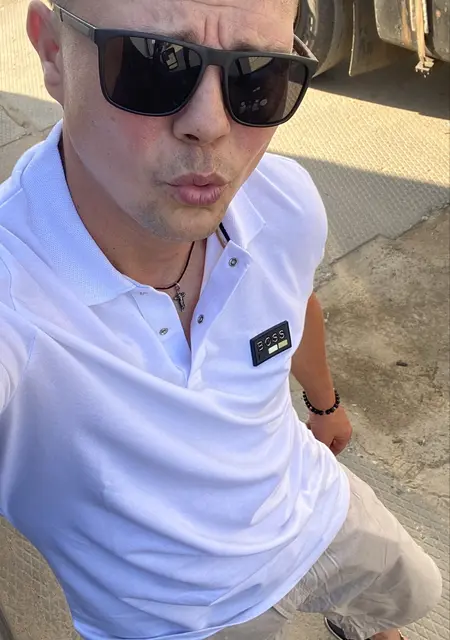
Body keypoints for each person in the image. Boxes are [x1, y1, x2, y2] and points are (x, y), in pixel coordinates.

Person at [0, 0, 442, 639]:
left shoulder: (284, 202)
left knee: (414, 590)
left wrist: (324, 404)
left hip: (315, 510)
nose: (209, 125)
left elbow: (293, 305)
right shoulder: (13, 292)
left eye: (257, 75)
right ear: (51, 54)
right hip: (181, 618)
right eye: (154, 64)